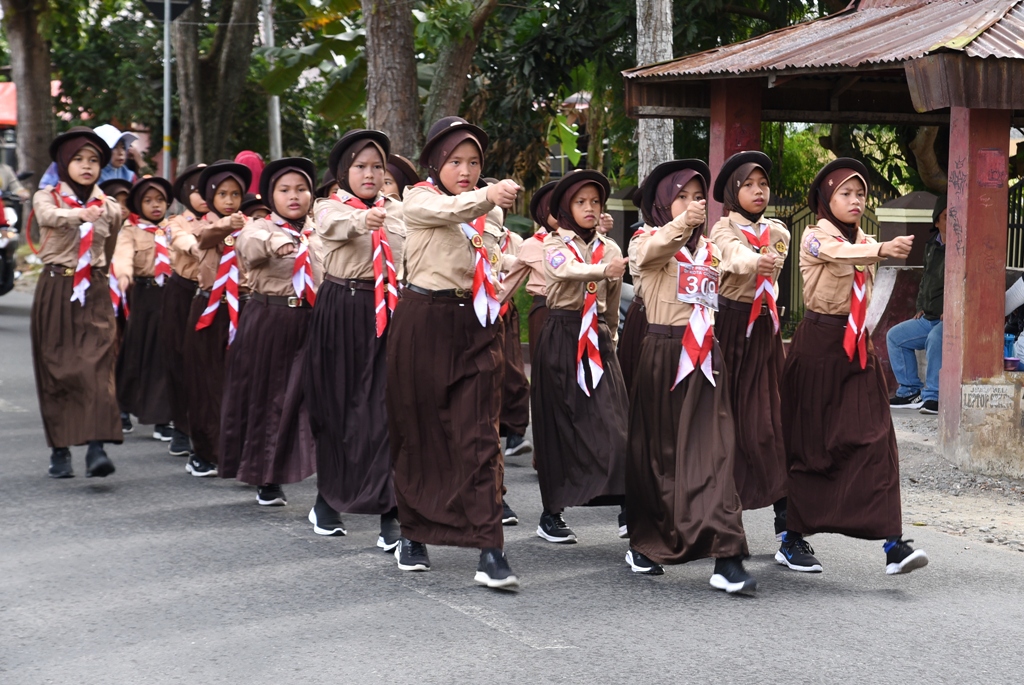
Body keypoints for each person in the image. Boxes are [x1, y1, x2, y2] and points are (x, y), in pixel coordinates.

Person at [387, 116, 520, 589]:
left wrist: (520, 264)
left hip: (476, 324)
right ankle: (413, 534)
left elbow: (493, 264)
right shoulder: (417, 198)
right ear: (435, 164)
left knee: (480, 435)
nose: (465, 169)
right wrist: (486, 195)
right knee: (418, 432)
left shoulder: (493, 216)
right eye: (455, 161)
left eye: (475, 162)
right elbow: (449, 212)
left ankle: (490, 548)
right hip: (422, 321)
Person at [780, 157, 928, 576]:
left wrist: (876, 247)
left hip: (858, 351)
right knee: (812, 443)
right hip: (818, 346)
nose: (855, 200)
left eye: (860, 193)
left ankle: (894, 544)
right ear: (827, 198)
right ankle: (792, 538)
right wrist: (880, 249)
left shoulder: (865, 239)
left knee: (878, 438)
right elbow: (836, 253)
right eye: (845, 193)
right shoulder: (813, 236)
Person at [623, 159, 755, 593]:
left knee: (716, 451)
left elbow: (732, 263)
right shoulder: (646, 239)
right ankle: (646, 540)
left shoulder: (709, 248)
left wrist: (758, 261)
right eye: (682, 195)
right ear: (662, 202)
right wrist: (680, 224)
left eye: (698, 196)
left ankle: (727, 553)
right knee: (659, 455)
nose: (693, 204)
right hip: (663, 352)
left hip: (706, 357)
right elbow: (648, 255)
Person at [303, 130, 405, 546]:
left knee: (385, 410)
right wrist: (364, 219)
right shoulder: (328, 205)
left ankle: (390, 511)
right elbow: (334, 226)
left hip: (389, 311)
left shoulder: (398, 210)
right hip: (342, 309)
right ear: (344, 172)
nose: (370, 173)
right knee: (340, 409)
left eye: (377, 166)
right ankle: (328, 498)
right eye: (361, 166)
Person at [531, 169, 629, 545]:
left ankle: (626, 504)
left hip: (598, 338)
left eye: (595, 202)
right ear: (566, 209)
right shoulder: (554, 245)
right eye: (581, 202)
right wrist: (601, 270)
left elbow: (614, 298)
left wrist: (612, 336)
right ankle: (551, 513)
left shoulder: (611, 248)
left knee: (615, 425)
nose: (590, 209)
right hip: (561, 334)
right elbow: (563, 272)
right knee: (559, 424)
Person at [220, 158, 319, 506]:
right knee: (271, 398)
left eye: (302, 189)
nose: (294, 197)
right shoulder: (260, 227)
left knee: (318, 400)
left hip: (316, 321)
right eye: (284, 190)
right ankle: (266, 476)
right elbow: (248, 242)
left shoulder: (319, 229)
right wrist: (274, 244)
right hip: (272, 320)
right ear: (270, 194)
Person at [708, 151, 791, 546]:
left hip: (765, 330)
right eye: (748, 185)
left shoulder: (779, 232)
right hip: (729, 329)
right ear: (731, 191)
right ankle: (722, 523)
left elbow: (776, 262)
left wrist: (765, 255)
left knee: (773, 422)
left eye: (763, 185)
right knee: (727, 424)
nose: (758, 191)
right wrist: (756, 259)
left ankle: (788, 525)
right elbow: (733, 256)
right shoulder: (722, 230)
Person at [31, 126, 123, 478]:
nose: (87, 166)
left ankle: (96, 446)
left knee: (97, 365)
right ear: (63, 162)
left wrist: (103, 274)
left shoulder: (110, 207)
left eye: (95, 160)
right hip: (56, 287)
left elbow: (110, 246)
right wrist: (78, 215)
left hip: (94, 289)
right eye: (79, 159)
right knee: (56, 368)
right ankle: (60, 449)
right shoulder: (47, 196)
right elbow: (46, 218)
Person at [181, 160, 252, 478]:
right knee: (204, 381)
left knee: (237, 382)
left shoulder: (251, 225)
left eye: (235, 194)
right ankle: (203, 451)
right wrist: (227, 225)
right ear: (210, 198)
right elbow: (203, 240)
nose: (229, 200)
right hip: (209, 308)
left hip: (242, 308)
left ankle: (234, 450)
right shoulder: (200, 223)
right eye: (222, 194)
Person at [111, 176, 175, 441]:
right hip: (143, 295)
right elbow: (123, 255)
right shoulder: (130, 230)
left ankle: (161, 418)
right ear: (139, 204)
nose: (155, 205)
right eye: (148, 201)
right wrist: (124, 274)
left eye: (160, 200)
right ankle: (123, 407)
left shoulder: (174, 228)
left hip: (169, 296)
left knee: (163, 355)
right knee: (135, 352)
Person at [162, 163, 208, 457]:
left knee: (211, 364)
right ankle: (181, 428)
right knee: (179, 360)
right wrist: (199, 245)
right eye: (196, 190)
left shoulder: (231, 220)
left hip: (215, 294)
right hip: (182, 291)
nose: (204, 195)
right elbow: (183, 241)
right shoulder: (175, 222)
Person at [887, 194, 946, 415]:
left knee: (935, 339)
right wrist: (920, 305)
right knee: (895, 337)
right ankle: (911, 390)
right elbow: (926, 279)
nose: (951, 220)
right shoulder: (932, 245)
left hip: (948, 319)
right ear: (936, 222)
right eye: (946, 216)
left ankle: (934, 397)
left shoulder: (962, 247)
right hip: (928, 317)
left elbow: (965, 281)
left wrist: (951, 310)